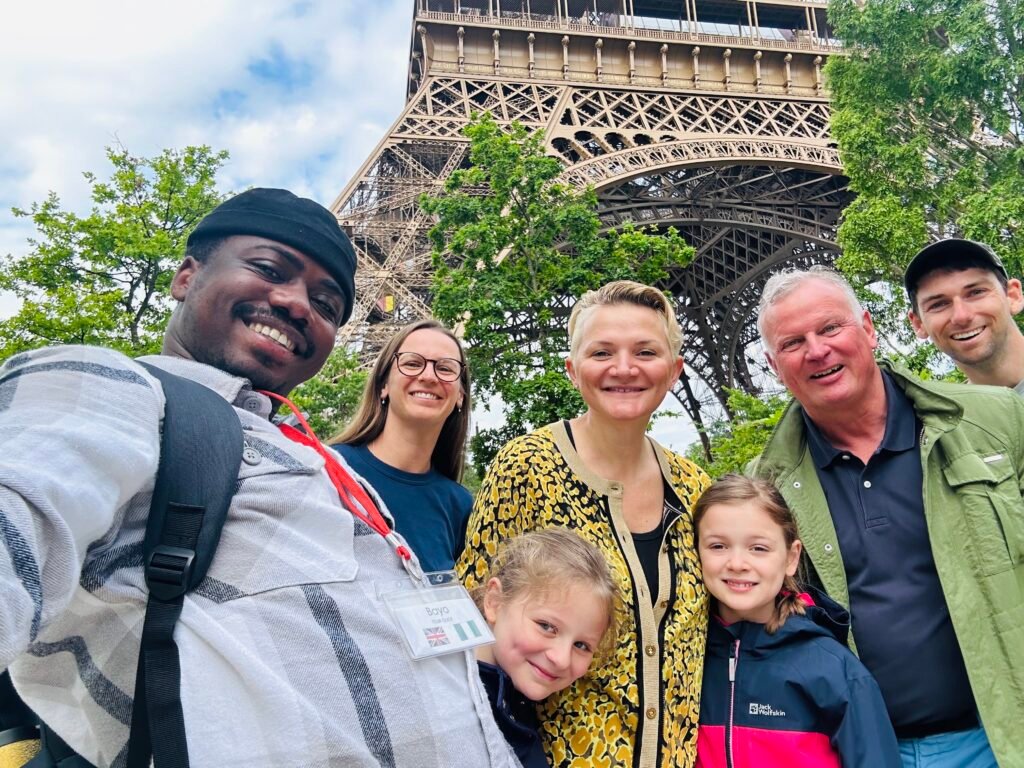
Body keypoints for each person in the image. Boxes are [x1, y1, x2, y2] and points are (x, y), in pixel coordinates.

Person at [0, 188, 519, 767]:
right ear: (185, 276)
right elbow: (21, 505)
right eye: (270, 269)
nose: (299, 304)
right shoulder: (113, 387)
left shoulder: (320, 463)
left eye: (326, 303)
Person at [751, 265, 1024, 768]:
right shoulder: (764, 487)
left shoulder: (997, 420)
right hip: (865, 750)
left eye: (831, 328)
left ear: (869, 329)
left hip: (1002, 738)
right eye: (793, 342)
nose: (817, 350)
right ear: (772, 364)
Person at [458, 280, 712, 768]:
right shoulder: (527, 466)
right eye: (602, 352)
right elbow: (474, 616)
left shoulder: (694, 486)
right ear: (573, 370)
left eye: (645, 351)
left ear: (674, 371)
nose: (623, 368)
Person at [693, 474, 900, 768]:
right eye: (718, 546)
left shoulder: (834, 669)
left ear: (791, 557)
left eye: (758, 548)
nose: (737, 563)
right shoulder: (688, 662)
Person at [472, 527, 620, 768]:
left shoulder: (516, 698)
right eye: (546, 626)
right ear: (494, 601)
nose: (561, 659)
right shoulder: (450, 708)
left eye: (581, 645)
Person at [332, 319, 472, 572]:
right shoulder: (329, 469)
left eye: (446, 368)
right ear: (384, 385)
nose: (429, 376)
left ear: (460, 396)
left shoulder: (460, 506)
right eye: (412, 363)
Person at [905, 238, 1024, 393]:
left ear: (1013, 296)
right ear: (918, 324)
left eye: (976, 292)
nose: (962, 316)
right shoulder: (946, 415)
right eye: (938, 304)